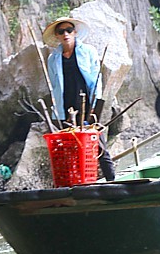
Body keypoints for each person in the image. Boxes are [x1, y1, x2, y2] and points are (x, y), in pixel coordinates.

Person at [42, 16, 116, 181]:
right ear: (57, 36)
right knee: (70, 146)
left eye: (69, 30)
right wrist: (58, 110)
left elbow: (96, 80)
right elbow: (55, 86)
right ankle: (75, 182)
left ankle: (112, 179)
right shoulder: (53, 59)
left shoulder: (88, 52)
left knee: (97, 143)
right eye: (61, 32)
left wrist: (95, 104)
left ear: (75, 32)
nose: (66, 34)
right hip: (65, 106)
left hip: (86, 103)